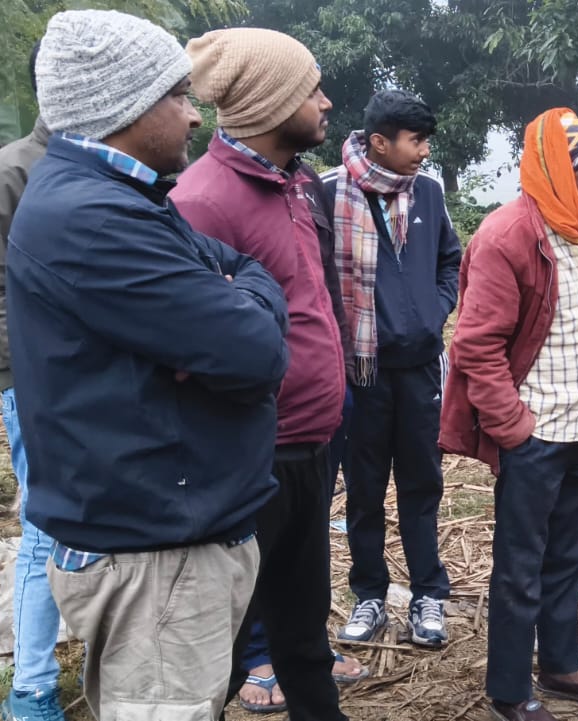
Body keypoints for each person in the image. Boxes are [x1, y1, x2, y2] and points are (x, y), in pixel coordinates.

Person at [8, 10, 290, 718]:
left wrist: (237, 300)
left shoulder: (125, 199)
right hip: (157, 556)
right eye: (179, 96)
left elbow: (247, 271)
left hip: (168, 541)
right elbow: (256, 351)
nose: (195, 116)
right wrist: (239, 310)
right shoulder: (93, 218)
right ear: (124, 105)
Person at [170, 27, 349, 721]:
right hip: (251, 457)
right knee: (220, 643)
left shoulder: (298, 184)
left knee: (304, 627)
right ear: (270, 102)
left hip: (311, 445)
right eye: (311, 90)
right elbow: (195, 350)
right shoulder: (203, 201)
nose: (326, 102)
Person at [440, 108, 578, 721]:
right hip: (537, 433)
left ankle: (561, 667)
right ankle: (508, 691)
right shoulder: (507, 236)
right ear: (557, 171)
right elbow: (476, 346)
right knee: (520, 566)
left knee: (568, 555)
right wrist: (514, 429)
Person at [321, 89, 461, 649]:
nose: (424, 151)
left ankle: (428, 594)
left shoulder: (427, 191)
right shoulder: (329, 192)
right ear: (379, 142)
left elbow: (450, 259)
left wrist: (433, 310)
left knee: (422, 484)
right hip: (362, 372)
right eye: (415, 140)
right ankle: (369, 595)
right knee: (364, 488)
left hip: (421, 367)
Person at [0, 39, 65, 721]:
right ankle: (32, 685)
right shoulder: (15, 169)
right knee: (45, 521)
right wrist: (27, 370)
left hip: (91, 382)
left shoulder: (116, 166)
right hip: (34, 381)